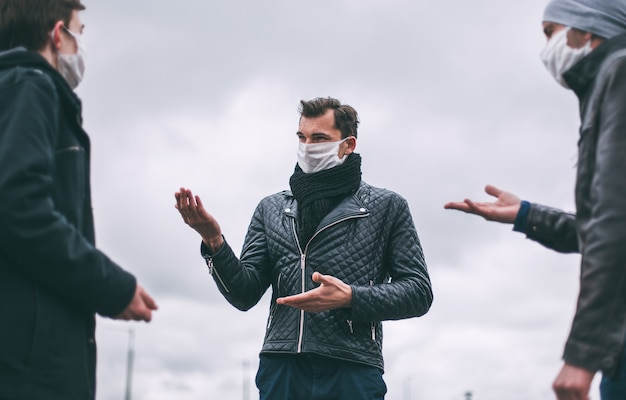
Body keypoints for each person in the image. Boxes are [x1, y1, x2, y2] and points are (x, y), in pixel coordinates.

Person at [175, 97, 433, 400]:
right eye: (302, 137)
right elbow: (244, 294)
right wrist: (214, 242)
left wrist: (351, 297)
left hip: (352, 367)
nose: (308, 146)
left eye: (320, 138)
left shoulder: (387, 207)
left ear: (348, 144)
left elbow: (418, 292)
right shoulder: (271, 208)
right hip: (281, 367)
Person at [444, 1, 626, 399]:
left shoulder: (619, 72)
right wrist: (525, 215)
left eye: (550, 32)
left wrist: (582, 355)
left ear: (588, 28)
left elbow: (617, 225)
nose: (547, 47)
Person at [0, 1, 158, 399]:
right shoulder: (31, 86)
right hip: (28, 362)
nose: (80, 48)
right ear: (57, 34)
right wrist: (112, 287)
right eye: (78, 33)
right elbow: (19, 208)